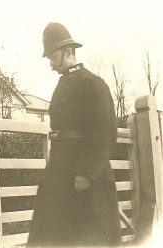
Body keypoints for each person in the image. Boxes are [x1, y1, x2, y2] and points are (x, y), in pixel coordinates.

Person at [27, 23, 121, 247]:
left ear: (69, 52)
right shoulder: (63, 83)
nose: (50, 63)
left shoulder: (93, 84)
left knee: (88, 234)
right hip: (60, 172)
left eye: (53, 56)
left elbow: (105, 132)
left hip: (85, 176)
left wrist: (86, 173)